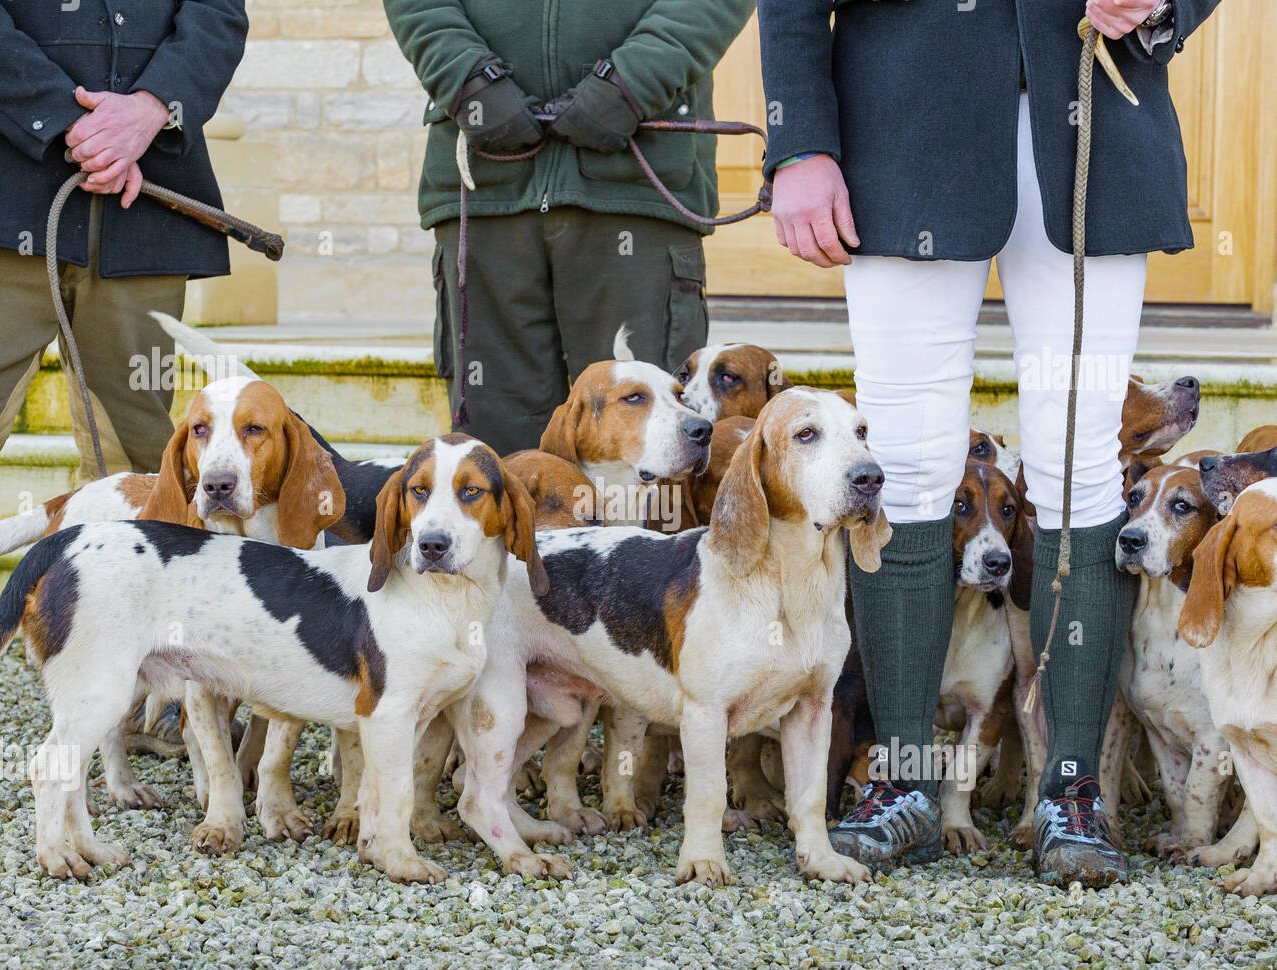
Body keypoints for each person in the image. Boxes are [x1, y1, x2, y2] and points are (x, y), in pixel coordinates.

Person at [758, 0, 1219, 887]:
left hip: (1097, 110)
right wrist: (800, 140)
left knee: (1084, 458)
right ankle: (903, 776)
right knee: (905, 459)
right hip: (902, 124)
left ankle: (1072, 787)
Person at [384, 0, 755, 455]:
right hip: (485, 187)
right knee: (495, 462)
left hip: (638, 185)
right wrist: (468, 82)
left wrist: (631, 84)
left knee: (653, 461)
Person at [0, 0, 249, 503]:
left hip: (146, 206)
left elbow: (219, 12)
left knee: (137, 466)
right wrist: (70, 121)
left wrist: (153, 107)